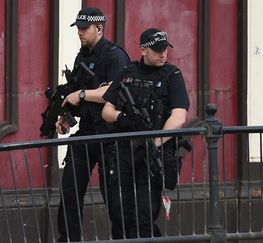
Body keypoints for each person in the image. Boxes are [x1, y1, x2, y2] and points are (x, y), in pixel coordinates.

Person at [101, 28, 190, 238]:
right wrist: (123, 118)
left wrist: (156, 141)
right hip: (124, 153)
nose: (163, 54)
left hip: (153, 155)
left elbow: (179, 117)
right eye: (157, 50)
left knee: (145, 215)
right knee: (120, 212)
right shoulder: (127, 73)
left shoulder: (173, 75)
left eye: (165, 49)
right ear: (143, 50)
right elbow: (107, 110)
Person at [55, 7, 130, 242]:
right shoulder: (82, 55)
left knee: (114, 197)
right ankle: (68, 239)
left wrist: (84, 94)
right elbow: (76, 96)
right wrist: (66, 119)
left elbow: (114, 91)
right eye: (77, 28)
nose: (79, 32)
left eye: (84, 28)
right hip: (87, 132)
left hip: (111, 134)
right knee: (69, 191)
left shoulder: (115, 55)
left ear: (99, 28)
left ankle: (124, 238)